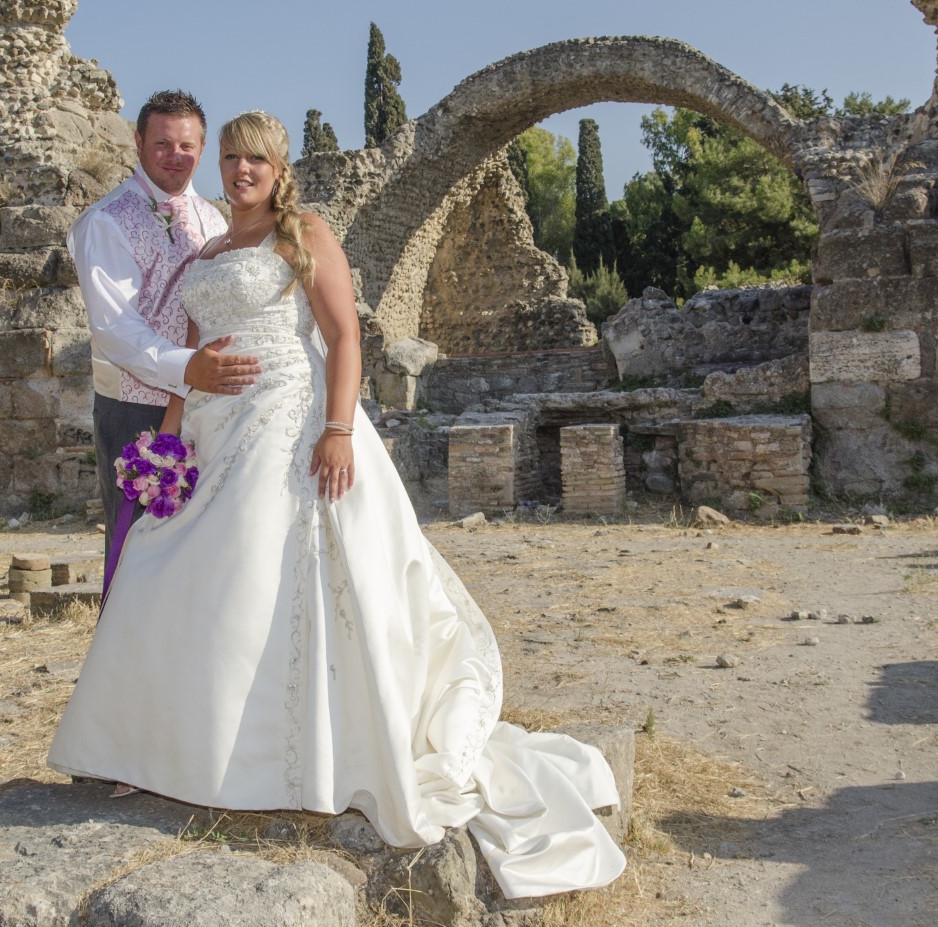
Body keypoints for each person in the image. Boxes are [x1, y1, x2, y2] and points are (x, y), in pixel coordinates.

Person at [47, 111, 626, 899]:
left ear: (278, 167)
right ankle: (148, 751)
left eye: (255, 159)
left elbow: (345, 336)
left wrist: (338, 429)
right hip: (213, 430)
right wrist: (166, 450)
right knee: (160, 568)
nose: (240, 170)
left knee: (257, 576)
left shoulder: (306, 233)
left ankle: (278, 759)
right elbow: (192, 366)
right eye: (231, 157)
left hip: (288, 424)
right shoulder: (206, 251)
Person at [68, 89, 262, 565]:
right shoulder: (105, 221)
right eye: (162, 143)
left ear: (202, 149)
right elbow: (115, 328)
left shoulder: (213, 217)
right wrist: (188, 368)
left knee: (203, 552)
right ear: (138, 142)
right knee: (138, 550)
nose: (176, 155)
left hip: (213, 407)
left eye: (187, 145)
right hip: (135, 409)